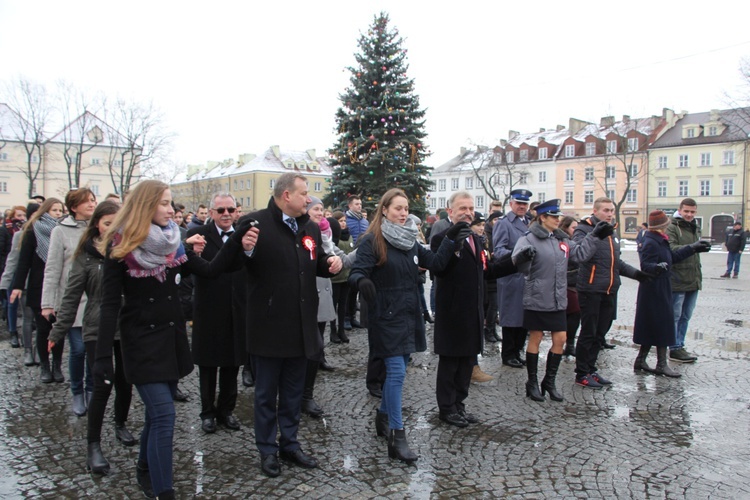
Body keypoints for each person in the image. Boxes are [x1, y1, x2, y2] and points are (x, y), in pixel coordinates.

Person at [94, 180, 258, 499]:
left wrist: (237, 237)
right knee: (165, 415)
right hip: (141, 344)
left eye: (171, 203)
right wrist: (102, 357)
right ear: (145, 206)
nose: (172, 209)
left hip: (170, 340)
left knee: (158, 415)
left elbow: (211, 269)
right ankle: (163, 491)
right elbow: (109, 305)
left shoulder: (174, 244)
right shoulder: (120, 247)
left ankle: (144, 467)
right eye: (165, 203)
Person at [349, 188, 469, 464]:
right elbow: (357, 271)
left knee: (399, 368)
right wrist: (362, 282)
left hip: (408, 315)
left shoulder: (410, 241)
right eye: (397, 209)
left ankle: (382, 415)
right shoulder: (372, 241)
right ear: (384, 211)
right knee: (396, 372)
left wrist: (451, 240)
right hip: (385, 317)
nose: (403, 213)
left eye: (405, 208)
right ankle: (397, 434)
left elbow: (436, 264)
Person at [239, 173, 341, 478]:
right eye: (304, 193)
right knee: (266, 394)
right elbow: (239, 263)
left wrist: (329, 264)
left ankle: (290, 443)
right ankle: (267, 449)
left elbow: (316, 259)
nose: (308, 199)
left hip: (301, 325)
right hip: (269, 326)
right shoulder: (256, 224)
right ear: (286, 195)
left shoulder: (308, 226)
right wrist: (245, 249)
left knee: (294, 392)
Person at [47, 200, 135, 475]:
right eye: (108, 223)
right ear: (97, 224)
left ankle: (120, 423)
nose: (112, 229)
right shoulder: (85, 256)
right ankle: (93, 445)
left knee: (125, 380)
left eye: (117, 224)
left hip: (126, 327)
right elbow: (71, 296)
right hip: (97, 327)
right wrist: (58, 330)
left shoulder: (128, 251)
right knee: (102, 383)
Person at [431, 192, 517, 426]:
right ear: (450, 211)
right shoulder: (441, 237)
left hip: (474, 312)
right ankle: (447, 408)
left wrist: (514, 263)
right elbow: (439, 269)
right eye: (462, 208)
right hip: (452, 311)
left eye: (470, 208)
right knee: (450, 363)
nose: (468, 212)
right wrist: (453, 243)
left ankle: (460, 404)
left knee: (467, 362)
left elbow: (486, 271)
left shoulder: (476, 239)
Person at [512, 199, 604, 402]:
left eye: (558, 216)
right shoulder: (529, 239)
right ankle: (532, 382)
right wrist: (523, 258)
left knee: (560, 339)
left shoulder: (561, 240)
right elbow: (518, 264)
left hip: (557, 299)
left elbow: (580, 254)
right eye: (554, 216)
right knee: (535, 338)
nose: (557, 219)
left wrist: (595, 236)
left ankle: (549, 381)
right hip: (537, 297)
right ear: (542, 218)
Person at [573, 197, 652, 388]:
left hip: (609, 289)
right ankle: (582, 372)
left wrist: (637, 274)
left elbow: (617, 262)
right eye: (606, 210)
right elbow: (578, 255)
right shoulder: (583, 229)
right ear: (595, 211)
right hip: (590, 289)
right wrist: (596, 235)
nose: (609, 214)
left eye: (611, 211)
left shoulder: (612, 232)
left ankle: (592, 369)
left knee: (600, 333)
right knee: (588, 332)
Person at [186, 193, 247, 434]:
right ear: (211, 213)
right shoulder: (200, 237)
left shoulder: (243, 236)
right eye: (220, 210)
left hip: (236, 309)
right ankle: (207, 412)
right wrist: (192, 251)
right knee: (209, 366)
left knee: (233, 365)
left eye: (230, 209)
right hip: (209, 310)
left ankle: (226, 410)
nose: (226, 214)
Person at [632, 210, 710, 378]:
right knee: (662, 324)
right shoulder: (651, 241)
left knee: (654, 324)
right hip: (654, 288)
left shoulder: (660, 240)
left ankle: (641, 360)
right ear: (662, 226)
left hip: (661, 285)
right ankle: (661, 364)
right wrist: (657, 267)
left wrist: (692, 248)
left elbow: (672, 257)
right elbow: (646, 265)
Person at [41, 188, 98, 416]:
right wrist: (47, 302)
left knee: (93, 350)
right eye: (87, 202)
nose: (92, 204)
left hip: (96, 301)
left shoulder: (99, 227)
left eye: (94, 200)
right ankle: (77, 391)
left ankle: (92, 390)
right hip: (72, 301)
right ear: (74, 206)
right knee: (78, 349)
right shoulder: (60, 231)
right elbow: (53, 267)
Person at [10, 198, 66, 383]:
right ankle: (45, 366)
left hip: (59, 287)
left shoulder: (63, 230)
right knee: (43, 328)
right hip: (38, 286)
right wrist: (17, 286)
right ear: (45, 211)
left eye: (60, 210)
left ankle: (57, 365)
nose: (58, 213)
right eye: (54, 210)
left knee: (57, 328)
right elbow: (23, 261)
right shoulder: (33, 230)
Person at [493, 189, 534, 368]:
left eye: (525, 204)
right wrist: (519, 255)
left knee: (525, 318)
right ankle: (508, 353)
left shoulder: (530, 223)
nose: (522, 207)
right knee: (511, 317)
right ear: (511, 204)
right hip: (511, 276)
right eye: (518, 203)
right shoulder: (504, 223)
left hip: (528, 277)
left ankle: (518, 351)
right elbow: (499, 250)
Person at [665, 198, 707, 363]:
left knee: (686, 315)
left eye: (692, 212)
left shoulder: (694, 227)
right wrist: (693, 248)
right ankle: (674, 348)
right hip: (677, 278)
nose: (689, 215)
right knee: (675, 315)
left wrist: (700, 247)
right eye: (686, 211)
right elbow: (671, 250)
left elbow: (693, 252)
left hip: (693, 278)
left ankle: (680, 345)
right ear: (680, 210)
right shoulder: (672, 227)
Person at [330, 211, 354, 344]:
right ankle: (333, 331)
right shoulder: (333, 238)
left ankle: (341, 330)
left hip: (346, 277)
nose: (343, 223)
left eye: (344, 220)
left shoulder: (349, 236)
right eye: (340, 221)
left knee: (343, 306)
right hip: (335, 278)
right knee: (333, 306)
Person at [345, 195, 368, 330]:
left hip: (363, 257)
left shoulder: (364, 222)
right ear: (350, 206)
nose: (359, 206)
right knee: (348, 290)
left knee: (356, 289)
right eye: (356, 204)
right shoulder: (346, 220)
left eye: (360, 203)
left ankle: (353, 317)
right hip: (351, 255)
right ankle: (346, 317)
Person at [559, 216, 580, 357]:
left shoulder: (575, 242)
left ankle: (570, 343)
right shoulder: (562, 241)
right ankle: (566, 343)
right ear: (566, 228)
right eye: (573, 227)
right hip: (566, 283)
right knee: (573, 313)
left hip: (575, 284)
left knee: (575, 315)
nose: (576, 230)